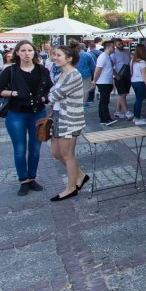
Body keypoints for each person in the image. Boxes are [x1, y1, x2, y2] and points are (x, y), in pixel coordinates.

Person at [0, 41, 52, 196]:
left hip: (38, 114)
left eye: (30, 50)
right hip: (16, 114)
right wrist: (13, 93)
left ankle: (32, 177)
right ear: (17, 53)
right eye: (23, 50)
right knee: (20, 149)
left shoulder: (42, 70)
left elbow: (49, 88)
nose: (27, 53)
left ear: (34, 53)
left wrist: (45, 98)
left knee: (35, 149)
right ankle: (23, 180)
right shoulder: (10, 71)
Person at [47, 45, 88, 202]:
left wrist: (52, 95)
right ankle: (80, 175)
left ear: (69, 58)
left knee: (67, 155)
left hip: (70, 119)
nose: (55, 57)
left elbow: (53, 95)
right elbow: (53, 94)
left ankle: (71, 188)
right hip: (58, 116)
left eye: (58, 55)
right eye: (54, 55)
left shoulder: (73, 75)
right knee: (56, 153)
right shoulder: (62, 74)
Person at [93, 40, 117, 127]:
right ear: (108, 47)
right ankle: (106, 119)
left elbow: (110, 69)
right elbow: (98, 69)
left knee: (104, 101)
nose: (114, 48)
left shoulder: (108, 56)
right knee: (104, 101)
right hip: (103, 82)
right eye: (113, 46)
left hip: (106, 81)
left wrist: (117, 76)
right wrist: (94, 80)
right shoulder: (103, 57)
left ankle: (103, 118)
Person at [129, 44, 146, 126]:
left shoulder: (132, 61)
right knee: (139, 101)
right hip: (141, 82)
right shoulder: (142, 62)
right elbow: (144, 75)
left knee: (137, 100)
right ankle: (137, 118)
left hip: (133, 81)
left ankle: (136, 116)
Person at [69, 40, 96, 106]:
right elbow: (93, 66)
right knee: (86, 89)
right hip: (86, 74)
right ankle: (83, 103)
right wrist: (94, 76)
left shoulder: (71, 55)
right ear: (83, 47)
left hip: (73, 74)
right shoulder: (87, 55)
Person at [110, 39, 132, 119]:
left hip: (127, 74)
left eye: (121, 44)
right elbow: (111, 66)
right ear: (115, 45)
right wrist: (116, 76)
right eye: (119, 44)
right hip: (119, 76)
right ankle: (126, 112)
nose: (121, 45)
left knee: (124, 94)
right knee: (122, 94)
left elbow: (129, 61)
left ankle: (117, 111)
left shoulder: (126, 51)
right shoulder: (113, 54)